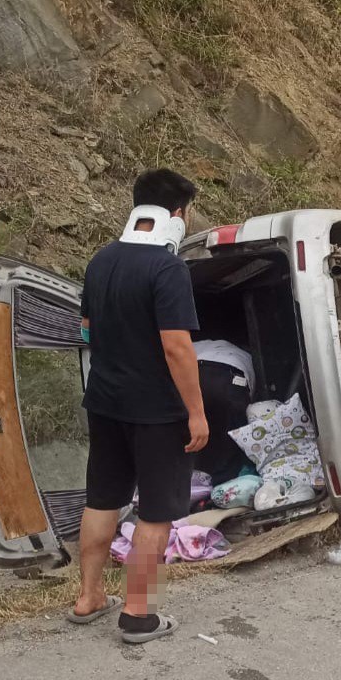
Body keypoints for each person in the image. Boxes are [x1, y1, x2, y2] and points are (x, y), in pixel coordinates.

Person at [70, 169, 208, 645]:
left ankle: (88, 598)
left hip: (105, 402)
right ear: (178, 213)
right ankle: (137, 614)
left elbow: (86, 327)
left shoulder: (101, 260)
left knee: (102, 498)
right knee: (155, 511)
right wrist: (196, 411)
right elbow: (177, 347)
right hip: (157, 411)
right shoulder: (167, 269)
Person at [192, 335, 254, 484]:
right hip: (233, 377)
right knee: (232, 441)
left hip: (197, 372)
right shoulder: (243, 354)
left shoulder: (191, 345)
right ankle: (224, 489)